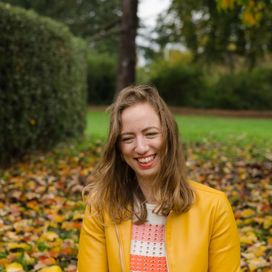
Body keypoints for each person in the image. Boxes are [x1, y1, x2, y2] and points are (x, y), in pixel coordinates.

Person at [77, 85, 240, 272]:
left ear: (169, 136)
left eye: (151, 134)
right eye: (128, 138)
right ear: (119, 150)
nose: (140, 147)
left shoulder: (214, 208)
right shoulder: (101, 207)